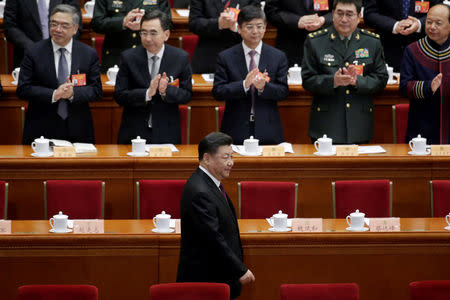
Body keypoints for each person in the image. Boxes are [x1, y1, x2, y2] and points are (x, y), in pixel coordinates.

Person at [177, 131, 255, 300]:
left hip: (217, 276)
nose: (231, 163)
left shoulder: (209, 183)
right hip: (206, 281)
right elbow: (213, 239)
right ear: (207, 158)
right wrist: (239, 269)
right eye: (225, 157)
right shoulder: (200, 191)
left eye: (232, 157)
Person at [301, 0, 388, 144]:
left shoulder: (372, 42)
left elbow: (381, 78)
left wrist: (358, 81)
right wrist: (332, 81)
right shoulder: (315, 41)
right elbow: (307, 80)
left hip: (359, 124)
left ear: (359, 16)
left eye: (349, 14)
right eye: (339, 13)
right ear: (333, 14)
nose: (344, 19)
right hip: (326, 124)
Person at [17, 4, 102, 145]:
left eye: (64, 25)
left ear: (75, 29)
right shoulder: (33, 52)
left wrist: (73, 93)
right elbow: (23, 89)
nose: (57, 29)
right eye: (54, 24)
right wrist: (54, 94)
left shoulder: (88, 54)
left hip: (79, 128)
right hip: (41, 128)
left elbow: (96, 91)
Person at [212, 5, 289, 145]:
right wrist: (243, 85)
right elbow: (218, 92)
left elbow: (283, 92)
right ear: (239, 29)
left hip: (269, 129)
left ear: (265, 27)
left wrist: (264, 87)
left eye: (259, 26)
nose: (255, 31)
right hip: (235, 128)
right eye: (249, 27)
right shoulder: (226, 57)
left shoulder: (278, 57)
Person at [114, 10, 192, 144]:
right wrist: (147, 93)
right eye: (143, 33)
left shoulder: (180, 58)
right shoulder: (128, 57)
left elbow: (186, 95)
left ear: (166, 35)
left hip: (167, 132)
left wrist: (165, 90)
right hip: (134, 131)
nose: (148, 38)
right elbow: (119, 96)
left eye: (153, 33)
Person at [400, 4, 450, 144]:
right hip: (422, 128)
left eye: (438, 23)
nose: (432, 27)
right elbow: (404, 87)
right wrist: (428, 87)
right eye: (429, 22)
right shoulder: (413, 50)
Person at [91, 0, 171, 73]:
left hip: (149, 54)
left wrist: (146, 26)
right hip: (116, 55)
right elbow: (96, 23)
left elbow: (168, 23)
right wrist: (123, 21)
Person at [364, 0, 443, 71]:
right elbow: (370, 13)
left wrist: (419, 24)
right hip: (387, 48)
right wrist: (394, 25)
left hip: (423, 50)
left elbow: (440, 12)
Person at [4, 0, 82, 68]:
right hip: (28, 56)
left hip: (62, 55)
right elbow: (10, 26)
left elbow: (76, 24)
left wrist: (59, 46)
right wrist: (35, 49)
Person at [189, 0, 260, 74]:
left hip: (239, 57)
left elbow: (257, 23)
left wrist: (236, 28)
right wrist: (218, 24)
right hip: (208, 57)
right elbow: (194, 23)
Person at [264, 0, 333, 66]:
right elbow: (270, 11)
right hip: (290, 46)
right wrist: (297, 21)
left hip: (324, 46)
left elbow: (339, 10)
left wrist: (323, 20)